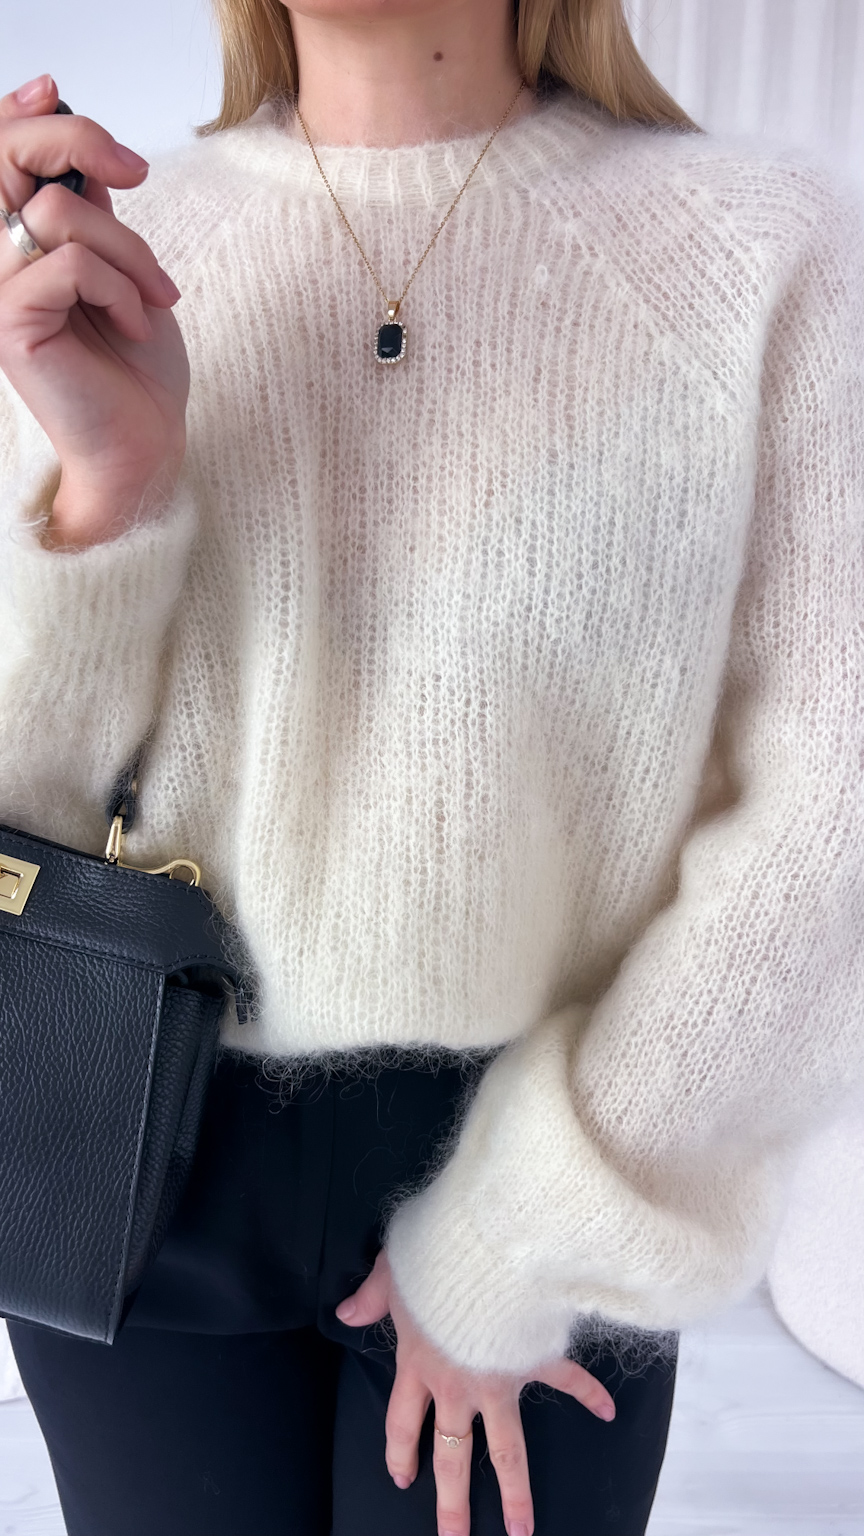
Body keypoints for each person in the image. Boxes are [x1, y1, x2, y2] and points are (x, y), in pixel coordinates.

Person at [0, 0, 862, 1531]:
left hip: (553, 1160)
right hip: (138, 1139)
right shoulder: (115, 262)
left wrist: (524, 1238)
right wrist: (106, 491)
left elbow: (829, 815)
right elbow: (26, 823)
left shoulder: (761, 256)